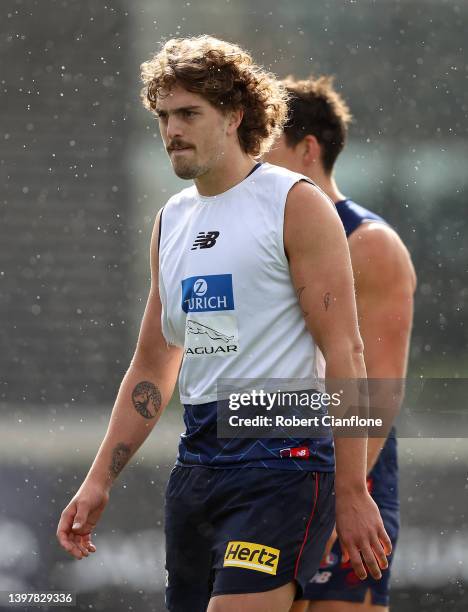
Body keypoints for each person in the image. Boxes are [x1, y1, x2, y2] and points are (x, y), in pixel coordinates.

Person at [56, 37, 391, 612]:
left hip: (283, 463)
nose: (171, 131)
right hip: (198, 464)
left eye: (189, 114)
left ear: (236, 115)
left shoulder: (294, 202)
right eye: (163, 116)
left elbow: (346, 353)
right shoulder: (172, 219)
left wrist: (353, 491)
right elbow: (155, 362)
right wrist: (99, 479)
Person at [265, 76, 416, 611]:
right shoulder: (259, 239)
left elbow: (377, 392)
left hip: (347, 477)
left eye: (266, 146)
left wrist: (341, 499)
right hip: (273, 470)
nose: (252, 163)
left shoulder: (368, 243)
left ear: (309, 150)